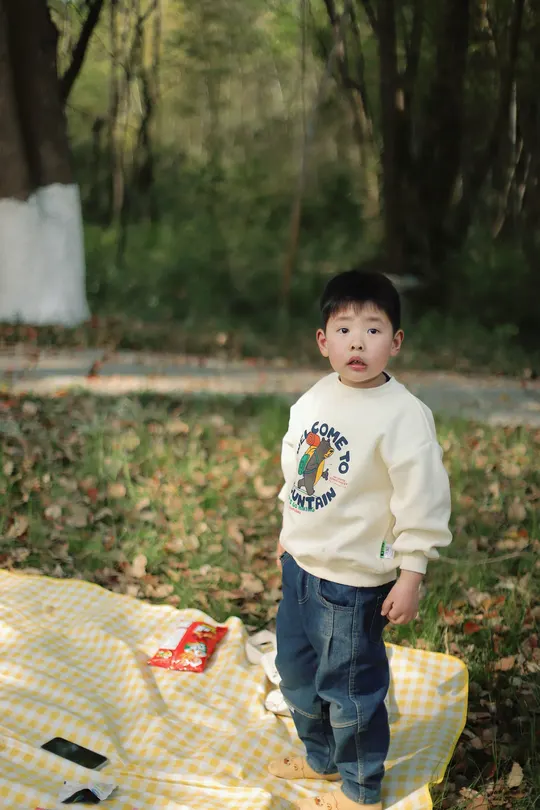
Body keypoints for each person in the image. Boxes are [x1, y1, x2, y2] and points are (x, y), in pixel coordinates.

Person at [268, 265, 452, 810]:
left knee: (349, 689)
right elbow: (297, 471)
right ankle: (321, 758)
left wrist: (411, 572)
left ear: (395, 342)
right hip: (301, 569)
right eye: (344, 329)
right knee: (296, 673)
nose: (357, 342)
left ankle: (361, 786)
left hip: (352, 584)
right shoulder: (314, 399)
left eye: (372, 330)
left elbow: (421, 498)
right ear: (323, 340)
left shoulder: (404, 416)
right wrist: (288, 530)